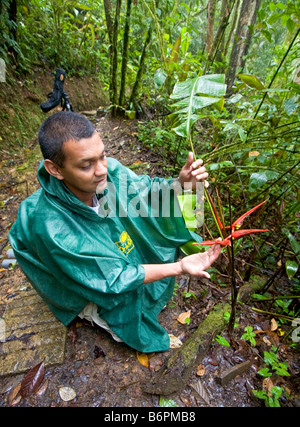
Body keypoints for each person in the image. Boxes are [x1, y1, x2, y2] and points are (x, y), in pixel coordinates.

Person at [9, 111, 221, 353]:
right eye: (86, 165)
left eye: (103, 156)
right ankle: (90, 312)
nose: (101, 170)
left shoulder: (105, 173)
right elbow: (112, 279)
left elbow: (142, 193)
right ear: (55, 169)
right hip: (54, 262)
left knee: (143, 252)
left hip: (88, 238)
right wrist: (180, 267)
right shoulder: (52, 228)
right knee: (116, 300)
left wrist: (180, 184)